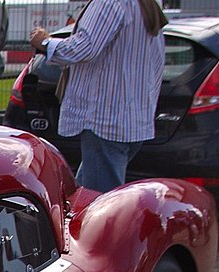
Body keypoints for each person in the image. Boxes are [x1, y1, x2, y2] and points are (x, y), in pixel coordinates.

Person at [30, 0, 166, 192]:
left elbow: (84, 47)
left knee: (98, 203)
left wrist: (45, 42)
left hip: (105, 117)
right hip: (129, 116)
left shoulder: (110, 2)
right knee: (84, 193)